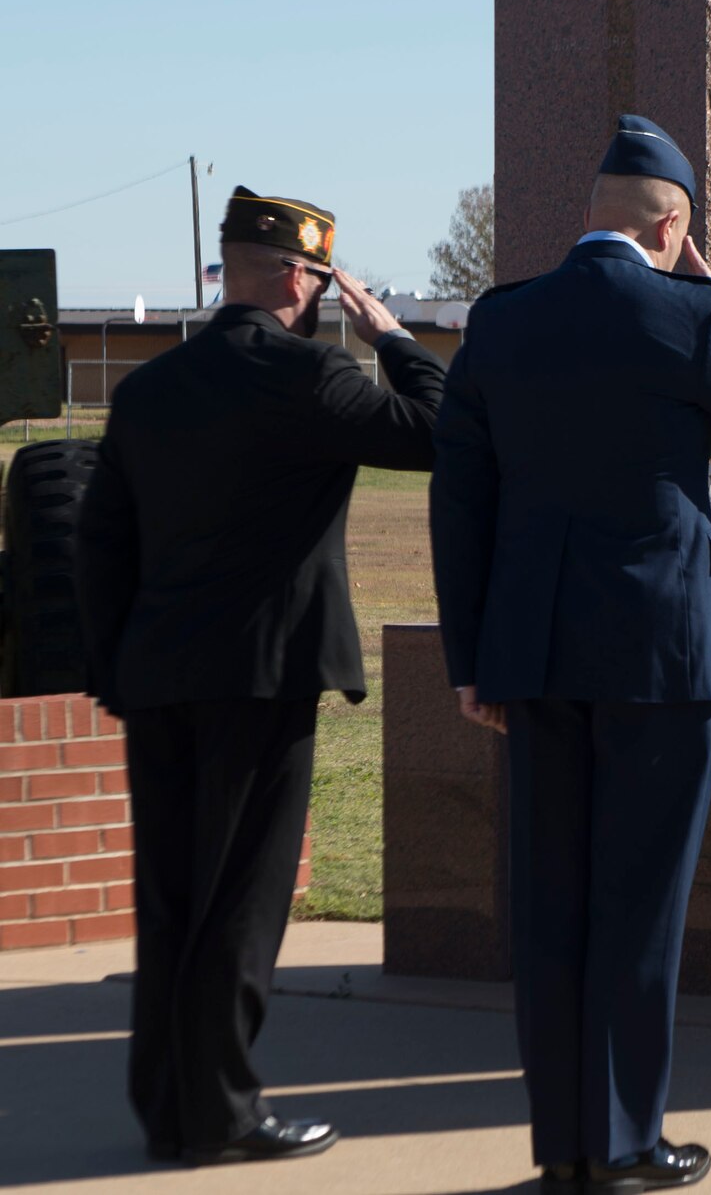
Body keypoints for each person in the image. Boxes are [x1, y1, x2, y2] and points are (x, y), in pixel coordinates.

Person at [429, 115, 711, 1194]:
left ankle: (567, 1145)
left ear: (594, 214)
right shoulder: (694, 312)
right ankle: (623, 1144)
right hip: (660, 653)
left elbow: (459, 498)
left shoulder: (500, 320)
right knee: (637, 905)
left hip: (535, 647)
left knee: (552, 901)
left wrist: (470, 657)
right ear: (675, 224)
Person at [77, 186, 446, 1166]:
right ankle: (225, 1114)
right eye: (325, 282)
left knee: (170, 899)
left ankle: (170, 1108)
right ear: (300, 277)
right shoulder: (306, 375)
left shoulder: (149, 389)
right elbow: (439, 430)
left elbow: (101, 541)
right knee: (241, 899)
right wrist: (392, 333)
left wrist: (117, 666)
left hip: (157, 676)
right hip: (261, 674)